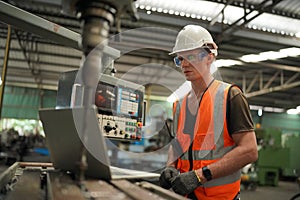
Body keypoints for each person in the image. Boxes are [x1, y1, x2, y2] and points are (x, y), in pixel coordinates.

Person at [159, 25, 258, 200]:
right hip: (186, 195)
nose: (184, 64)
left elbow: (249, 150)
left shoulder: (230, 96)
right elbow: (178, 144)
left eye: (191, 56)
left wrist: (200, 175)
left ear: (209, 57)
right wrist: (170, 166)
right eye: (180, 59)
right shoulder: (179, 104)